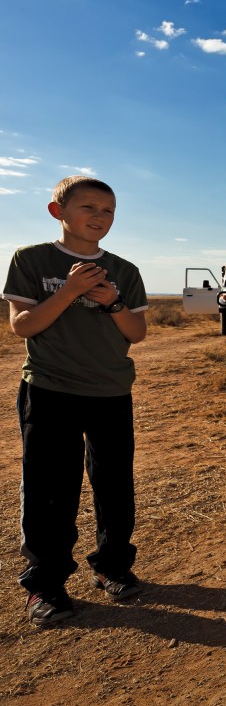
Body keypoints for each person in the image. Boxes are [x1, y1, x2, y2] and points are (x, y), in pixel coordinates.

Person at [3, 175, 149, 627]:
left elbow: (136, 333)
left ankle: (112, 567)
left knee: (114, 485)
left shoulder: (124, 271)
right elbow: (21, 326)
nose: (99, 217)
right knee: (51, 491)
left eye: (108, 210)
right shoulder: (32, 260)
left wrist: (112, 303)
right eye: (88, 208)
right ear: (58, 212)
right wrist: (67, 291)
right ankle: (45, 586)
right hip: (50, 390)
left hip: (110, 391)